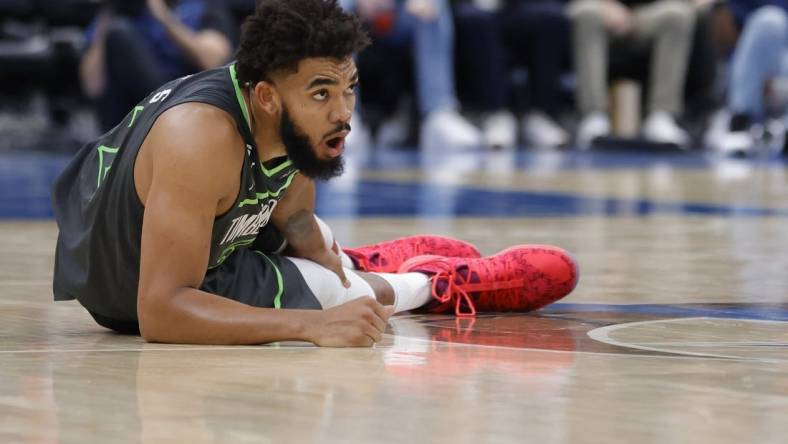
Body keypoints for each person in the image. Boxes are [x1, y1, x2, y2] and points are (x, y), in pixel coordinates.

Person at [52, 0, 579, 347]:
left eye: (349, 88)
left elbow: (294, 206)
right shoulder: (201, 139)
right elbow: (161, 314)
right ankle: (426, 284)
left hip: (187, 240)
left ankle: (354, 262)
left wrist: (316, 243)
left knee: (319, 253)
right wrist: (313, 324)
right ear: (266, 96)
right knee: (345, 303)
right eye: (322, 92)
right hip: (134, 291)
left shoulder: (274, 105)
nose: (343, 111)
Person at [340, 0, 483, 149]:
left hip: (400, 14)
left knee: (434, 5)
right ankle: (343, 116)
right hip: (357, 14)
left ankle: (438, 113)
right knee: (337, 8)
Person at [79, 0, 234, 130]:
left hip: (179, 110)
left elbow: (212, 60)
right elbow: (92, 86)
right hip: (126, 119)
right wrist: (109, 15)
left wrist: (161, 15)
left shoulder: (203, 8)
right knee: (119, 34)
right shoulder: (120, 14)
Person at [568, 0, 696, 148]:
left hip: (645, 12)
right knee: (587, 12)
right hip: (596, 8)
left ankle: (661, 115)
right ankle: (593, 115)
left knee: (677, 14)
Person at [454, 0, 572, 149]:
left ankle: (542, 116)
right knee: (475, 19)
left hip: (523, 7)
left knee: (552, 17)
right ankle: (496, 115)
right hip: (477, 7)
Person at [705, 2, 788, 156]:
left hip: (782, 73)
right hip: (741, 70)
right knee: (770, 20)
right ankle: (739, 122)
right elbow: (722, 34)